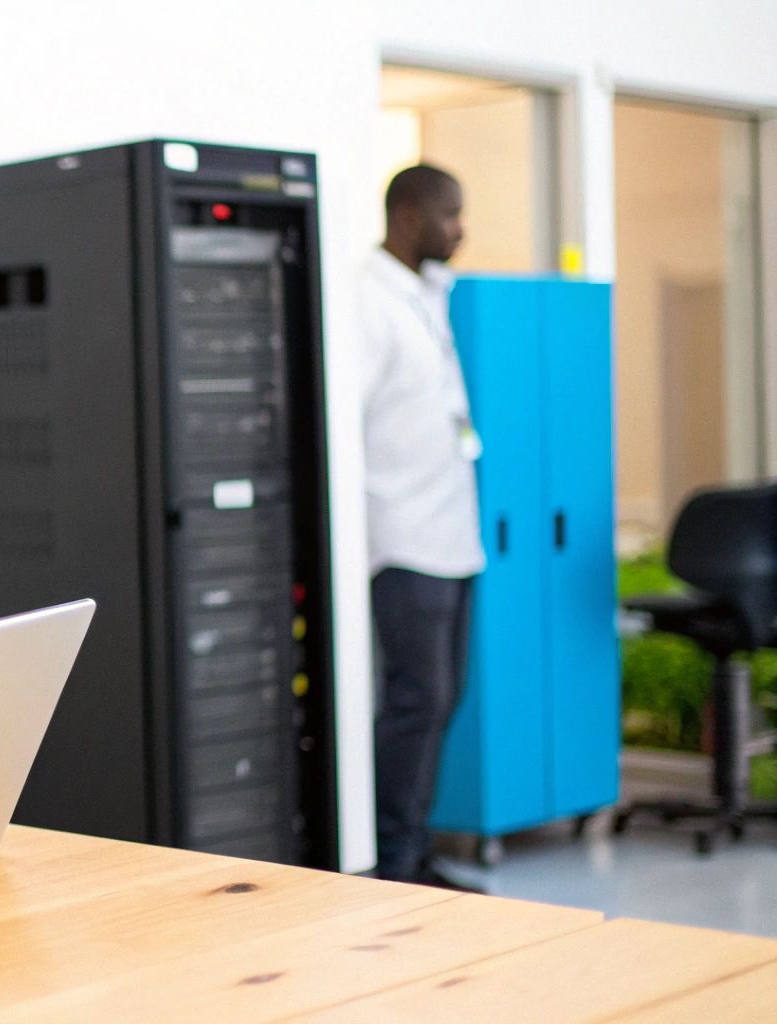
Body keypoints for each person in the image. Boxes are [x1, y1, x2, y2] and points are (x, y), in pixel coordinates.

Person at [359, 164, 484, 890]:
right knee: (418, 703)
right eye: (449, 214)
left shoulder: (429, 294)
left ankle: (417, 848)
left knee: (442, 700)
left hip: (452, 538)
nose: (460, 229)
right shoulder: (367, 301)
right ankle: (394, 861)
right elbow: (345, 423)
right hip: (403, 539)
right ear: (408, 216)